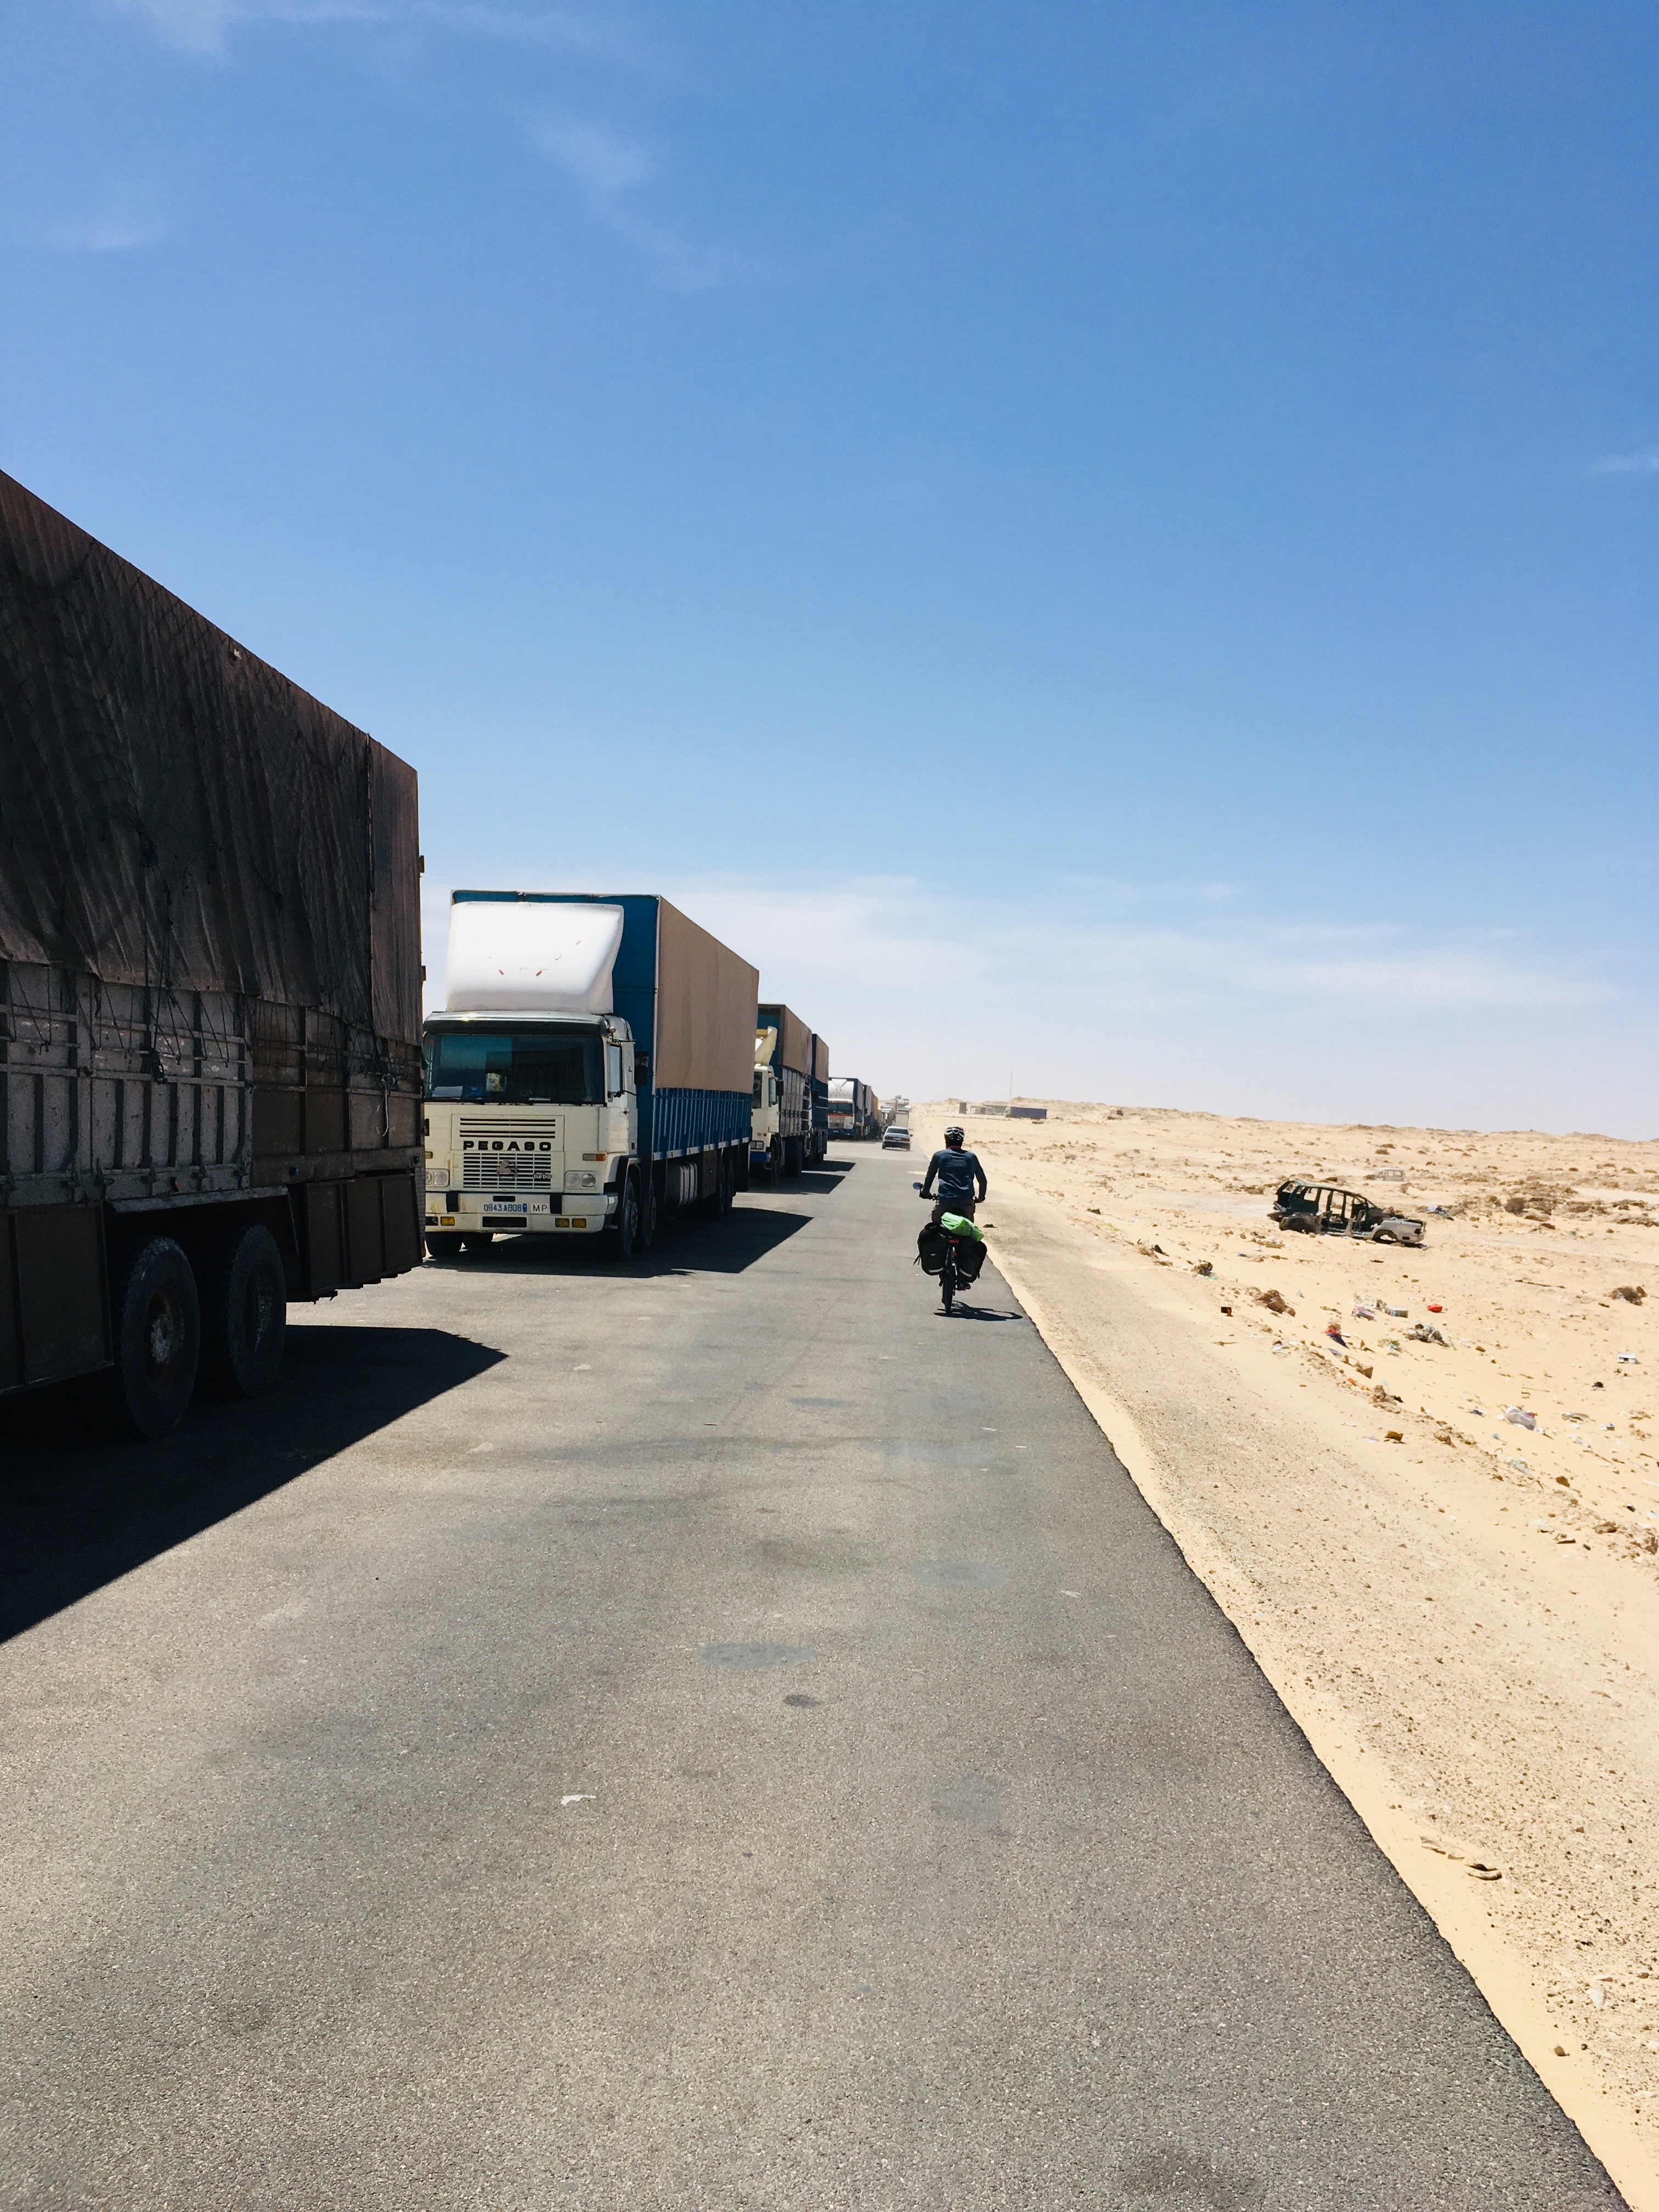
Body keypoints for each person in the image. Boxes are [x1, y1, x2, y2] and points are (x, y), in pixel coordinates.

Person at [921, 1125, 988, 1226]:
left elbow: (929, 1177)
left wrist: (925, 1193)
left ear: (946, 1140)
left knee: (935, 1227)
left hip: (945, 1201)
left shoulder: (939, 1156)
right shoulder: (971, 1157)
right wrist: (981, 1197)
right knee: (969, 1232)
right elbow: (982, 1180)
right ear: (962, 1140)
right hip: (966, 1202)